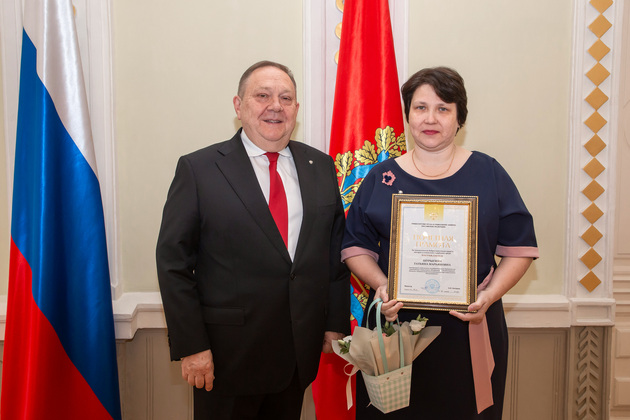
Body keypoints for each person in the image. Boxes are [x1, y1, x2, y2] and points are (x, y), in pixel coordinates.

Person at [156, 60, 350, 420]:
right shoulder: (199, 169)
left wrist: (335, 321)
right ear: (238, 105)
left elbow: (333, 253)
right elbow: (173, 264)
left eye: (285, 98)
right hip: (226, 359)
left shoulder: (320, 167)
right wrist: (192, 346)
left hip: (297, 356)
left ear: (296, 109)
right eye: (262, 96)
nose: (275, 106)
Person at [342, 67, 538, 419]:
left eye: (443, 108)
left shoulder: (489, 172)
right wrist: (382, 284)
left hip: (469, 327)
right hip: (394, 329)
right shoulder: (381, 177)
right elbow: (355, 247)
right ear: (408, 115)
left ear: (460, 117)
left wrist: (489, 296)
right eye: (420, 108)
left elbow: (519, 249)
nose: (430, 118)